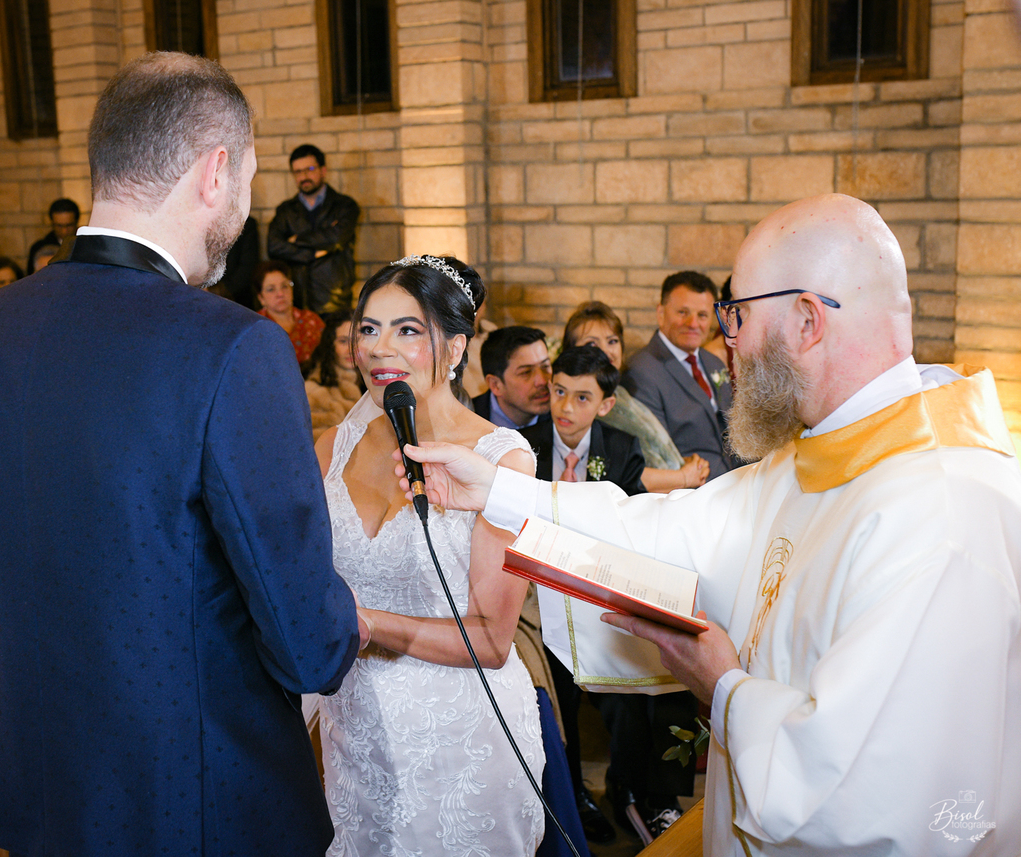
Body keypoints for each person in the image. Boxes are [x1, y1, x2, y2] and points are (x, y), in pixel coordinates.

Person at [396, 194, 1021, 857]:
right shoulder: (824, 457)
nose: (730, 342)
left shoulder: (941, 511)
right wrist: (500, 490)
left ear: (808, 319)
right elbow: (669, 529)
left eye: (738, 313)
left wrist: (723, 687)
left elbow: (871, 795)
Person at [0, 52, 361, 857]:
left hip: (43, 788)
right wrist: (363, 621)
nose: (244, 202)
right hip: (195, 801)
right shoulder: (232, 347)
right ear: (215, 171)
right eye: (250, 176)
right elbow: (309, 641)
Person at [316, 254, 545, 856]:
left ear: (456, 348)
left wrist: (367, 625)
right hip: (356, 733)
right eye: (368, 328)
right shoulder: (331, 448)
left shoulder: (503, 460)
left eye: (407, 329)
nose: (379, 348)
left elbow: (493, 642)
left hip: (461, 739)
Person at [518, 344, 646, 846]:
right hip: (536, 591)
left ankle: (629, 790)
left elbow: (628, 525)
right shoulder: (522, 445)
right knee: (558, 694)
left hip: (597, 589)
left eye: (582, 398)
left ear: (605, 405)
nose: (566, 408)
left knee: (631, 693)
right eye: (559, 392)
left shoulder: (620, 449)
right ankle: (573, 796)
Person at [562, 301, 708, 492]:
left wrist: (684, 463)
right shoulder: (577, 406)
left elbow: (646, 449)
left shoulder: (620, 393)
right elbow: (617, 474)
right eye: (592, 343)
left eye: (612, 341)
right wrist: (684, 476)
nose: (606, 351)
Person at [623, 271, 736, 479]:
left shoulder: (712, 362)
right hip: (690, 493)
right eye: (683, 312)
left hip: (737, 482)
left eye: (702, 315)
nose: (693, 324)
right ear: (661, 313)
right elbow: (657, 453)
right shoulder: (641, 370)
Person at [267, 144, 360, 313]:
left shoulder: (345, 206)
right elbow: (274, 246)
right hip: (296, 301)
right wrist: (311, 253)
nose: (304, 176)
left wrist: (297, 240)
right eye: (298, 171)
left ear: (323, 170)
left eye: (310, 169)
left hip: (333, 300)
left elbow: (337, 238)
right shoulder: (286, 210)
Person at [471, 325, 552, 429]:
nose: (542, 381)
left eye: (545, 366)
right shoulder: (466, 418)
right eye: (526, 372)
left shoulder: (563, 418)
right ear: (496, 385)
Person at [254, 260, 325, 367]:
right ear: (261, 298)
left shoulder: (311, 319)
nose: (280, 294)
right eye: (271, 289)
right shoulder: (255, 327)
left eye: (285, 286)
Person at [304, 310, 362, 439]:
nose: (351, 349)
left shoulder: (371, 384)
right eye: (343, 341)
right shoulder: (315, 392)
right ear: (330, 345)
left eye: (357, 340)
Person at [211, 215, 259, 306]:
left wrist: (222, 292)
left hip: (237, 298)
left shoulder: (246, 223)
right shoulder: (199, 220)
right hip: (203, 293)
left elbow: (247, 266)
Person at [26, 198, 80, 274]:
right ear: (52, 223)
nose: (64, 231)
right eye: (59, 226)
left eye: (69, 225)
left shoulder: (84, 246)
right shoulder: (39, 247)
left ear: (76, 222)